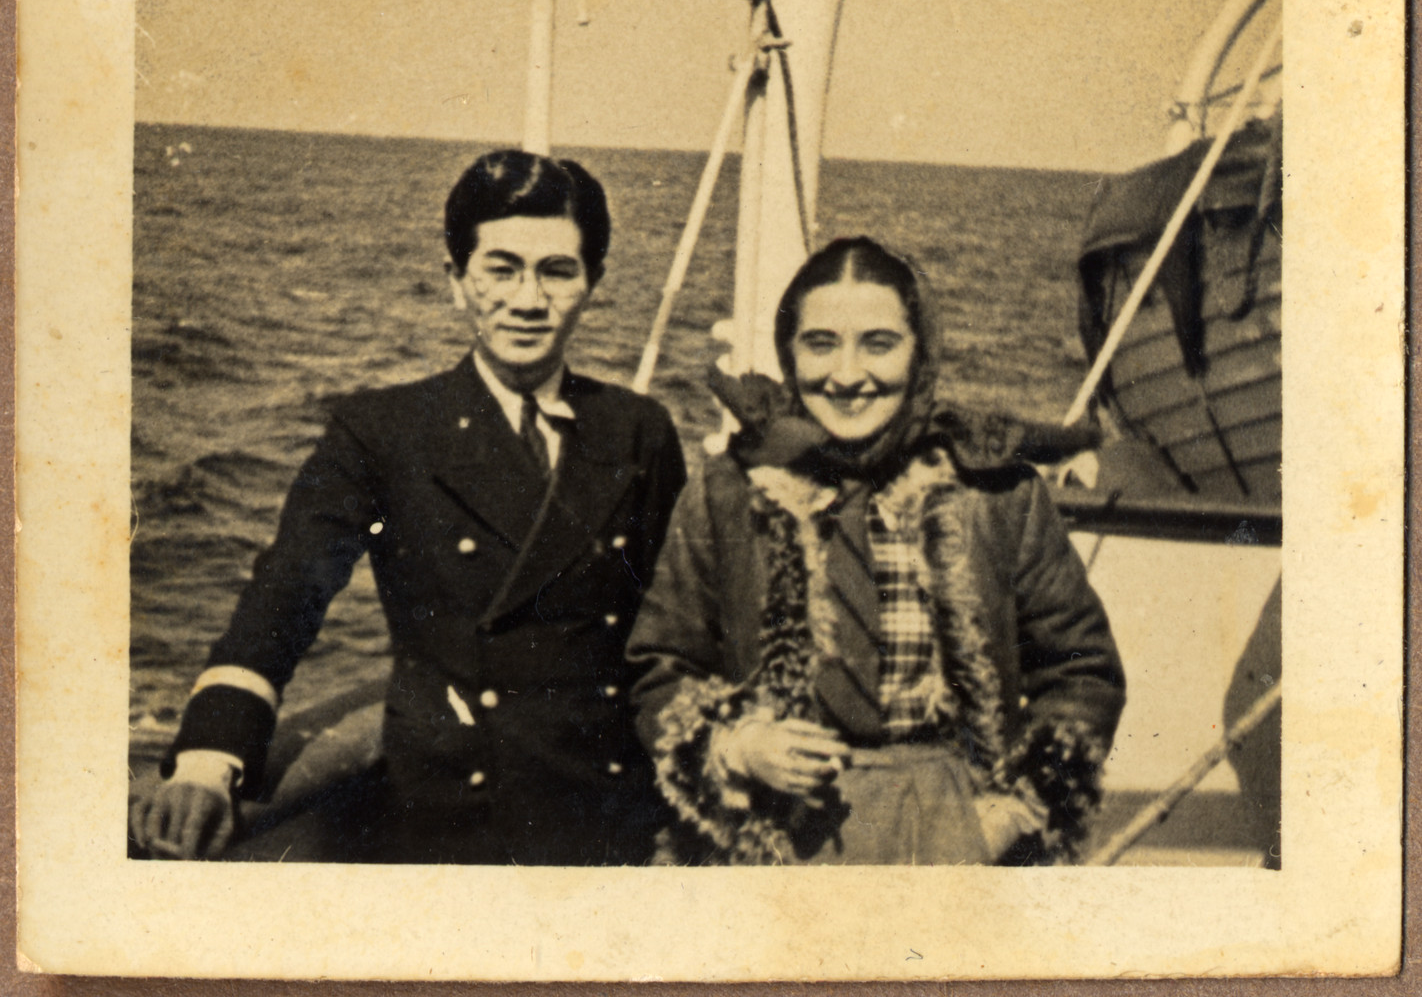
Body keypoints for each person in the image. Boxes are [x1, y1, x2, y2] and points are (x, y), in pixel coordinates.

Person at [131, 150, 687, 865]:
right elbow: (286, 595)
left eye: (557, 271)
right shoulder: (384, 431)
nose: (527, 300)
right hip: (452, 818)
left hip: (610, 812)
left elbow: (672, 636)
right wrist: (209, 760)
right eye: (501, 268)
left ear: (592, 283)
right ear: (456, 281)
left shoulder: (638, 430)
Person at [626, 237, 1125, 865]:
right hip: (776, 832)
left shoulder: (995, 493)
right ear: (789, 351)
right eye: (821, 343)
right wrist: (740, 746)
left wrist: (1011, 811)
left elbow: (1083, 670)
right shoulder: (731, 489)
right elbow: (661, 666)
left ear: (920, 353)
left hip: (954, 823)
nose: (847, 374)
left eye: (879, 344)